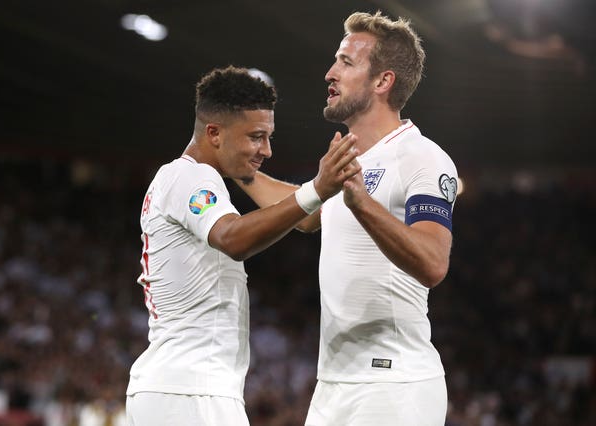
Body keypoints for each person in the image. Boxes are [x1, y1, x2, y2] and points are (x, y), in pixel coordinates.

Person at [236, 12, 458, 426]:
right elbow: (306, 212)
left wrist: (361, 203)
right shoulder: (351, 160)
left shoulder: (422, 157)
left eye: (346, 62)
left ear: (382, 81)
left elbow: (433, 262)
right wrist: (241, 170)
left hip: (393, 385)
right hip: (333, 385)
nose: (330, 72)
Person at [124, 65, 361, 426]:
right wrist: (317, 188)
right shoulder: (189, 176)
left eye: (268, 137)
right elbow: (232, 239)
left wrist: (314, 190)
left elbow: (307, 218)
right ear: (214, 133)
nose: (266, 149)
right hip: (190, 391)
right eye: (255, 136)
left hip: (185, 389)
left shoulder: (191, 177)